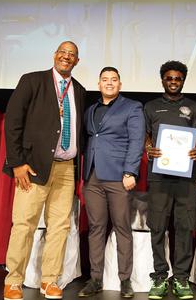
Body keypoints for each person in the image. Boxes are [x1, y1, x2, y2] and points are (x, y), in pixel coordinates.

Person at [2, 41, 87, 300]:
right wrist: (17, 163)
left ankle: (50, 280)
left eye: (71, 55)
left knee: (60, 227)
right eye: (62, 52)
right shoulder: (32, 81)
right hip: (34, 167)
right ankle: (13, 281)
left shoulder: (80, 90)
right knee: (24, 224)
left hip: (66, 169)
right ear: (54, 56)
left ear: (76, 61)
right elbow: (13, 121)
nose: (66, 57)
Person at [79, 67, 145, 298]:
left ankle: (125, 280)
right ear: (98, 84)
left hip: (119, 176)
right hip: (93, 177)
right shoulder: (90, 110)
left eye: (114, 80)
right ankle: (95, 278)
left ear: (120, 84)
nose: (109, 83)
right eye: (105, 80)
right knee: (96, 228)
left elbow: (137, 141)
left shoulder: (132, 107)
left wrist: (130, 172)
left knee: (122, 228)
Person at [143, 61, 196, 300]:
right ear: (162, 80)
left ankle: (180, 277)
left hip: (186, 177)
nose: (173, 82)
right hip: (159, 176)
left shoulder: (192, 106)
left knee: (184, 226)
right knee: (157, 227)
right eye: (169, 78)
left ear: (183, 81)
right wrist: (149, 148)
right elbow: (146, 137)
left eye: (178, 78)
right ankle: (159, 276)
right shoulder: (150, 107)